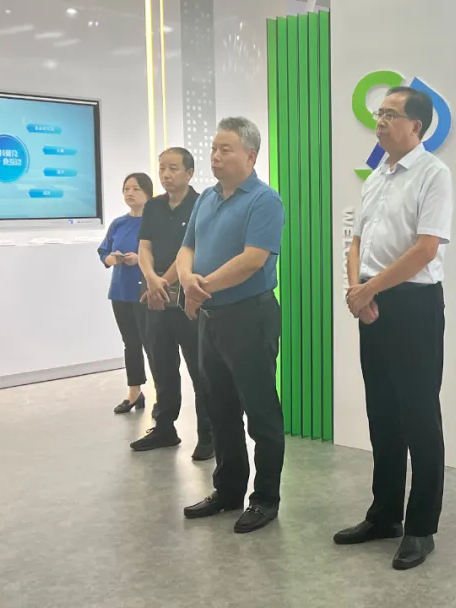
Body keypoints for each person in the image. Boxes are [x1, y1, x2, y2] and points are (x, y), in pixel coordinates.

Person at [334, 86, 452, 571]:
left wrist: (369, 290)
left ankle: (421, 527)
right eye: (379, 113)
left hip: (413, 305)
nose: (380, 121)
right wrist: (357, 290)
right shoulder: (376, 175)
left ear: (415, 127)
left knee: (419, 417)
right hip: (373, 303)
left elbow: (426, 249)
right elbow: (356, 240)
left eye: (390, 114)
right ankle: (384, 515)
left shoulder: (434, 174)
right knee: (381, 413)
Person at [175, 117, 286, 535]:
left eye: (226, 149)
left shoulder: (264, 200)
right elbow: (187, 248)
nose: (216, 157)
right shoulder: (206, 197)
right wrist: (187, 280)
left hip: (249, 316)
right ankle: (228, 490)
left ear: (251, 156)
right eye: (214, 149)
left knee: (260, 411)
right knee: (219, 408)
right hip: (212, 318)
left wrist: (200, 288)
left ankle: (265, 499)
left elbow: (253, 259)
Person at [130, 147, 214, 461]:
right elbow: (144, 246)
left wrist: (162, 282)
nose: (166, 174)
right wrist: (151, 278)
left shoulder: (202, 204)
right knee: (162, 366)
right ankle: (164, 427)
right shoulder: (153, 206)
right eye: (162, 168)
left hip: (186, 299)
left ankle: (208, 434)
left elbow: (191, 250)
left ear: (189, 173)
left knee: (200, 370)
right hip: (154, 299)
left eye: (173, 168)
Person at [98, 173, 154, 414]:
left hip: (146, 292)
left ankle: (163, 395)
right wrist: (111, 258)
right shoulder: (118, 223)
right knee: (130, 344)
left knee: (153, 345)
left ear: (148, 193)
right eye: (126, 189)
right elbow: (103, 251)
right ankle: (134, 392)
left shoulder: (154, 223)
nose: (130, 193)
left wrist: (139, 259)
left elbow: (165, 255)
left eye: (136, 189)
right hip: (120, 292)